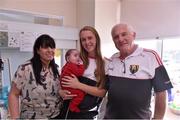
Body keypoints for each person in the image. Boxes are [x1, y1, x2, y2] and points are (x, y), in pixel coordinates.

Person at [61, 23, 173, 119]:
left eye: (124, 34)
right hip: (74, 110)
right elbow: (64, 78)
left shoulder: (108, 62)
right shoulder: (112, 59)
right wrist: (61, 91)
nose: (120, 39)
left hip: (88, 113)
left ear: (133, 35)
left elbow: (161, 93)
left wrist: (157, 119)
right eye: (116, 37)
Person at [8, 34, 62, 119]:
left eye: (52, 47)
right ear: (37, 50)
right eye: (45, 47)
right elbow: (13, 94)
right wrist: (15, 118)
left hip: (56, 116)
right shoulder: (25, 68)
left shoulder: (56, 69)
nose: (50, 50)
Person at [60, 26, 106, 119]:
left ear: (96, 39)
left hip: (86, 113)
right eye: (83, 39)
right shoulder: (76, 58)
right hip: (67, 109)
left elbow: (102, 93)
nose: (87, 42)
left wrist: (78, 85)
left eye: (90, 38)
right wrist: (60, 91)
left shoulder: (106, 63)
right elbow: (63, 76)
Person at [59, 49, 85, 117]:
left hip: (64, 85)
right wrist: (82, 65)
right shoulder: (72, 65)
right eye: (75, 55)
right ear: (68, 58)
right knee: (81, 94)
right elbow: (79, 73)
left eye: (79, 56)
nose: (78, 58)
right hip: (68, 86)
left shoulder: (66, 65)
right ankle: (73, 106)